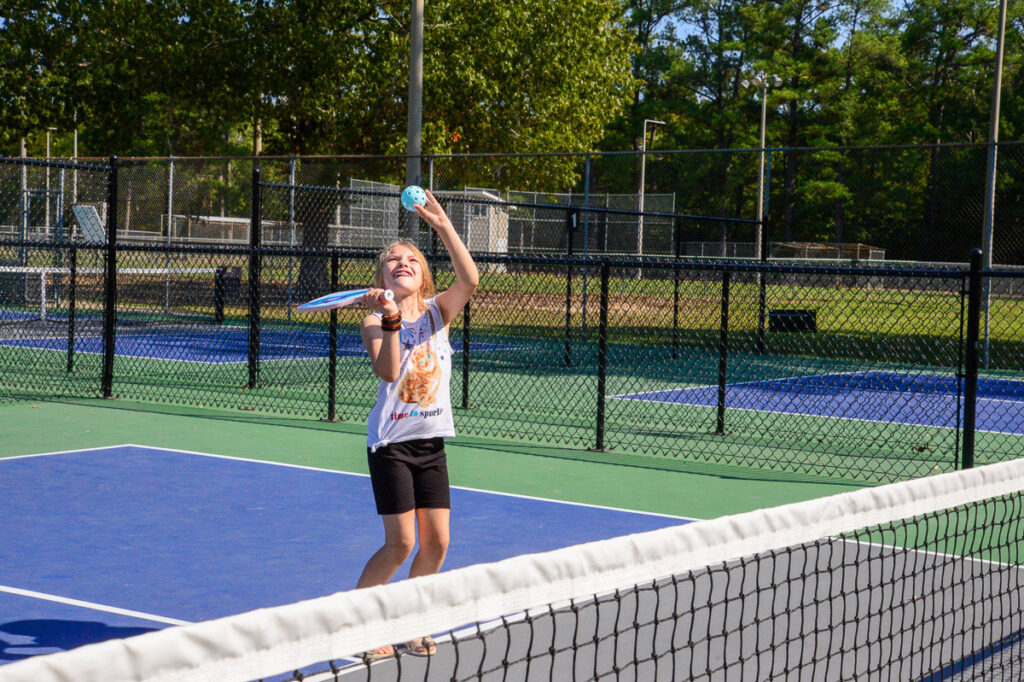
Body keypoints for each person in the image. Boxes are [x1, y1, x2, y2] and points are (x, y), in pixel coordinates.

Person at [355, 189, 478, 660]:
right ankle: (358, 626)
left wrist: (443, 227)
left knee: (438, 542)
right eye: (392, 260)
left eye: (410, 258)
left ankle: (410, 623)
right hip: (391, 447)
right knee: (401, 543)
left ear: (423, 274)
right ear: (383, 277)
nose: (401, 262)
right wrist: (388, 321)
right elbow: (388, 372)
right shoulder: (373, 318)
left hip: (432, 444)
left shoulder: (437, 313)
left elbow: (470, 279)